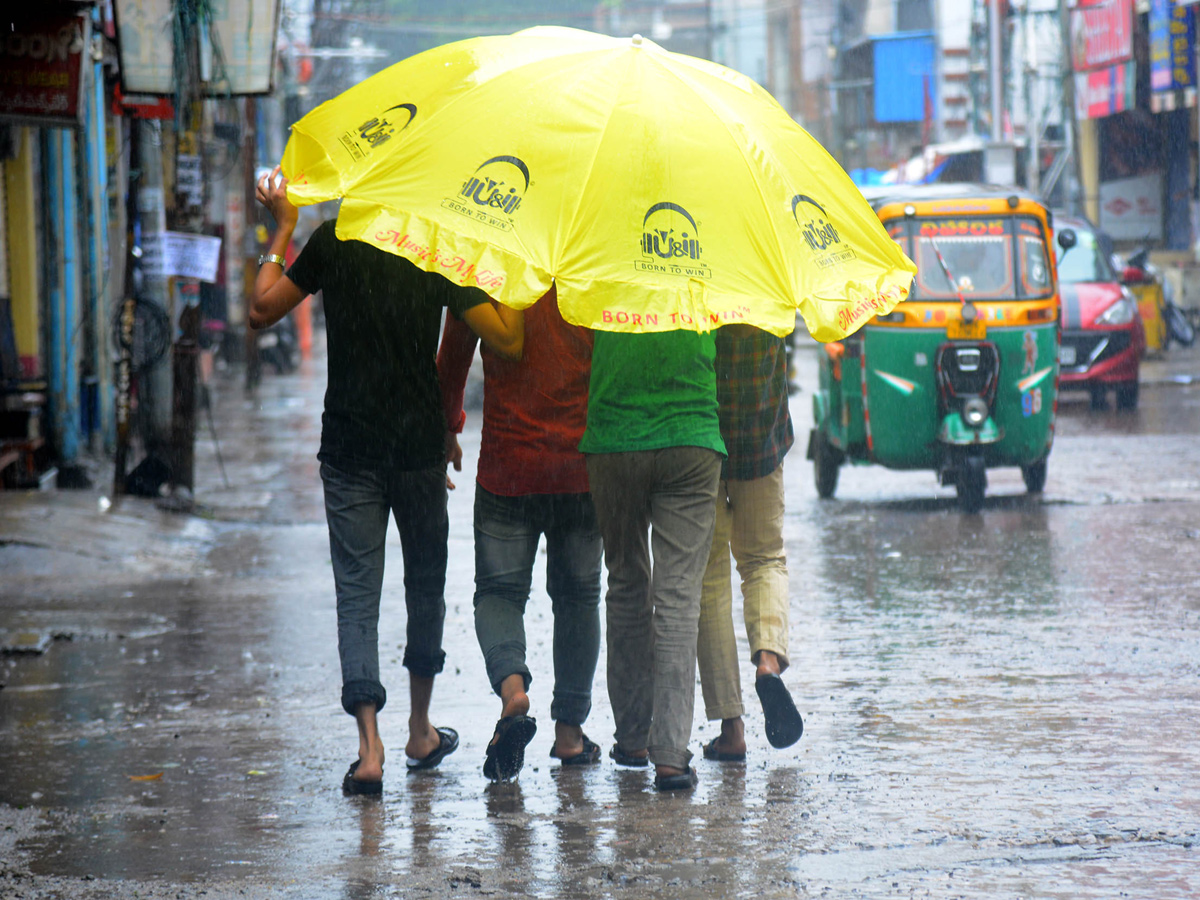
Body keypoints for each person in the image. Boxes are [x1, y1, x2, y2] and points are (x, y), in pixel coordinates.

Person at [251, 167, 524, 794]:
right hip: (418, 450)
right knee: (425, 586)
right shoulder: (434, 246)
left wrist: (283, 227)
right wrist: (488, 255)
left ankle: (369, 748)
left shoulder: (333, 239)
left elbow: (260, 309)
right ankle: (421, 728)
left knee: (357, 594)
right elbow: (508, 340)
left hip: (348, 446)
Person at [437, 285, 603, 782]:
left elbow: (454, 357)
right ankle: (570, 734)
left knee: (499, 593)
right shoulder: (586, 251)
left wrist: (448, 427)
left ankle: (514, 692)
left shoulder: (493, 254)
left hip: (509, 465)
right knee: (578, 597)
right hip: (581, 463)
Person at [580, 328, 726, 792]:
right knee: (679, 596)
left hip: (615, 430)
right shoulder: (712, 252)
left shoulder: (600, 253)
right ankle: (669, 754)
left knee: (625, 578)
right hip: (691, 431)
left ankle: (633, 741)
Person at [697, 325, 804, 762]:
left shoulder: (694, 262)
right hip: (761, 434)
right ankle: (768, 661)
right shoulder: (770, 271)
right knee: (763, 560)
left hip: (702, 437)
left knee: (711, 579)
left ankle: (732, 728)